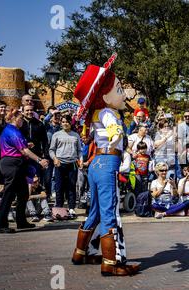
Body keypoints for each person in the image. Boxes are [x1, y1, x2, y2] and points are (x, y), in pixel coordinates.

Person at [71, 54, 139, 276]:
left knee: (95, 211)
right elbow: (115, 133)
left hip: (95, 164)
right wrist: (117, 136)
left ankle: (81, 252)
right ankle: (112, 263)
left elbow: (90, 138)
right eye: (118, 90)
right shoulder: (109, 112)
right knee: (111, 212)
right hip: (108, 161)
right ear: (105, 96)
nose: (122, 94)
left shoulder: (96, 113)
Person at [0, 106, 49, 234]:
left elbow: (21, 146)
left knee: (23, 193)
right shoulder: (12, 131)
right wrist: (40, 160)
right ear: (14, 118)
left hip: (16, 164)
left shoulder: (13, 131)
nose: (22, 121)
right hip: (11, 164)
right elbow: (24, 150)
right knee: (9, 194)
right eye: (20, 118)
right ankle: (0, 224)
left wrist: (27, 145)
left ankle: (21, 221)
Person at [49, 115, 83, 218]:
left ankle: (71, 208)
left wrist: (80, 160)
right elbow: (51, 150)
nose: (65, 124)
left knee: (71, 187)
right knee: (59, 187)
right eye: (63, 122)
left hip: (72, 164)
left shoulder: (75, 135)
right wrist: (54, 159)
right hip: (60, 163)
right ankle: (59, 209)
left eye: (67, 122)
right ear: (61, 123)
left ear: (70, 123)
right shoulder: (56, 135)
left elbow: (79, 151)